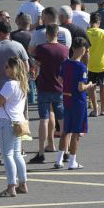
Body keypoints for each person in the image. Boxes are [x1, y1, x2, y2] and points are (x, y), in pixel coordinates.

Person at [29, 24, 69, 164]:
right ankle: (65, 150)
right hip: (59, 88)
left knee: (44, 119)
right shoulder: (64, 50)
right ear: (58, 34)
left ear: (47, 34)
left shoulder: (42, 48)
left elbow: (34, 58)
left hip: (44, 86)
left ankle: (41, 152)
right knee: (62, 120)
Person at [56, 38, 94, 170]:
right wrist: (89, 84)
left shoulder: (65, 63)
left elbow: (60, 79)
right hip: (78, 101)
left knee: (66, 130)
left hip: (66, 99)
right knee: (76, 132)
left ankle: (59, 159)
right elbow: (80, 87)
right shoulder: (82, 67)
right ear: (82, 49)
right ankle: (72, 161)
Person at [0, 57, 29, 198]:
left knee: (7, 154)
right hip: (18, 121)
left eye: (7, 67)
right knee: (17, 154)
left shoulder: (10, 85)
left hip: (7, 121)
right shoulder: (23, 84)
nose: (5, 69)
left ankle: (11, 186)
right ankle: (23, 183)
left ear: (13, 69)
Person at [86, 13, 104, 116]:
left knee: (92, 87)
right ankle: (103, 108)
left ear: (90, 22)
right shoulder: (103, 32)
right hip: (102, 63)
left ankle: (95, 109)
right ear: (99, 22)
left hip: (90, 64)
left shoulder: (86, 33)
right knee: (103, 86)